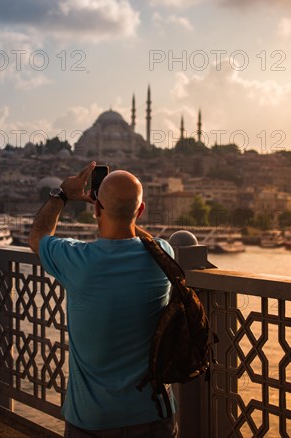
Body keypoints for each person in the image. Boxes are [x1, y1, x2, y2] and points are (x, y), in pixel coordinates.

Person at [28, 161, 178, 438]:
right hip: (154, 413)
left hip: (93, 419)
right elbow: (149, 242)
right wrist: (126, 216)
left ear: (96, 209)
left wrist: (62, 193)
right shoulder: (163, 255)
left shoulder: (77, 260)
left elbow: (38, 236)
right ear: (141, 211)